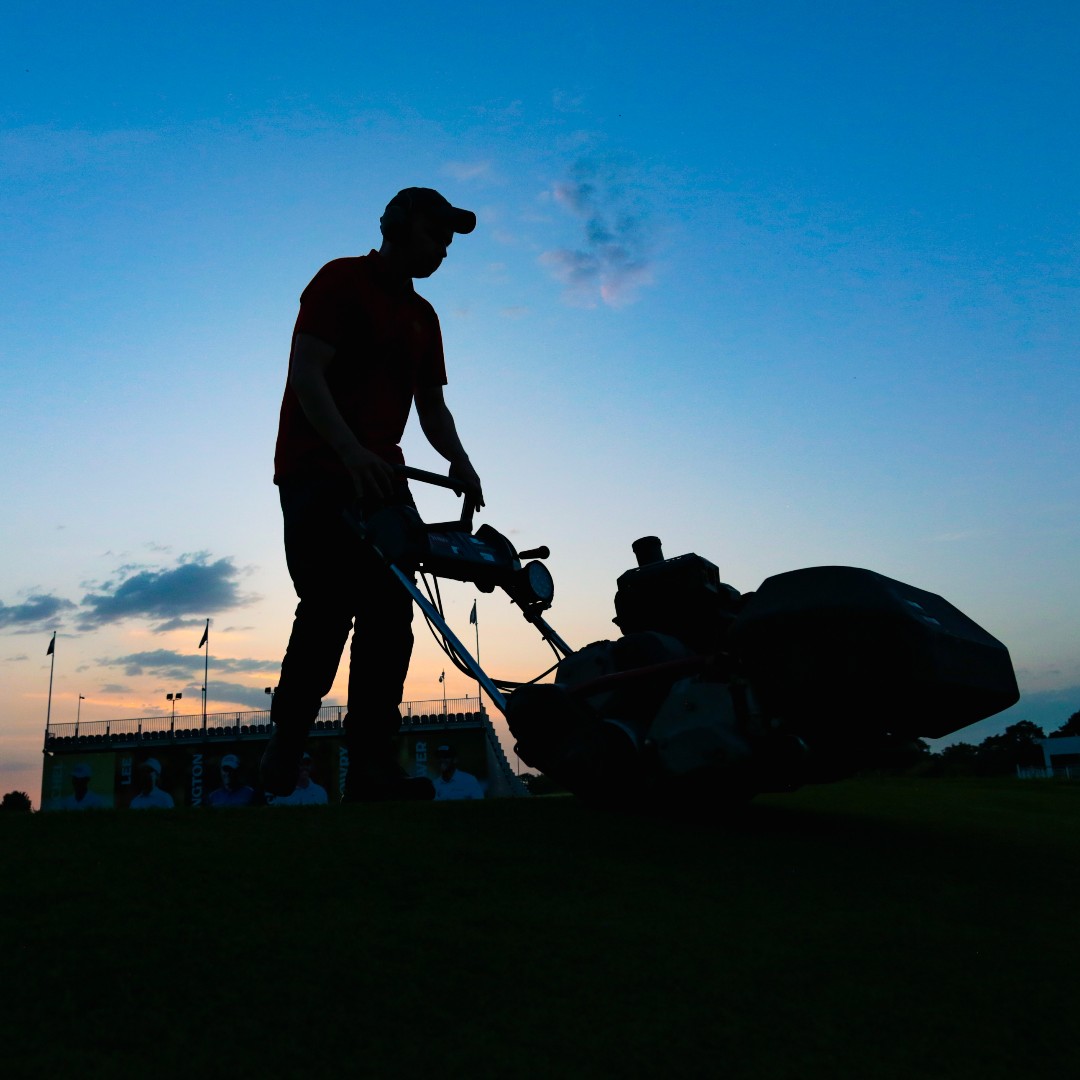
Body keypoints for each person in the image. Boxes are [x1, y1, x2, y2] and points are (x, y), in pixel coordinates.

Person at [263, 187, 484, 804]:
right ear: (397, 223)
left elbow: (431, 405)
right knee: (328, 605)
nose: (443, 247)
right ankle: (286, 743)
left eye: (449, 239)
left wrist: (460, 461)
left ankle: (372, 767)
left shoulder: (424, 317)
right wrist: (348, 450)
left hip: (384, 479)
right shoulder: (339, 281)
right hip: (315, 470)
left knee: (391, 615)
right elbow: (306, 374)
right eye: (435, 232)